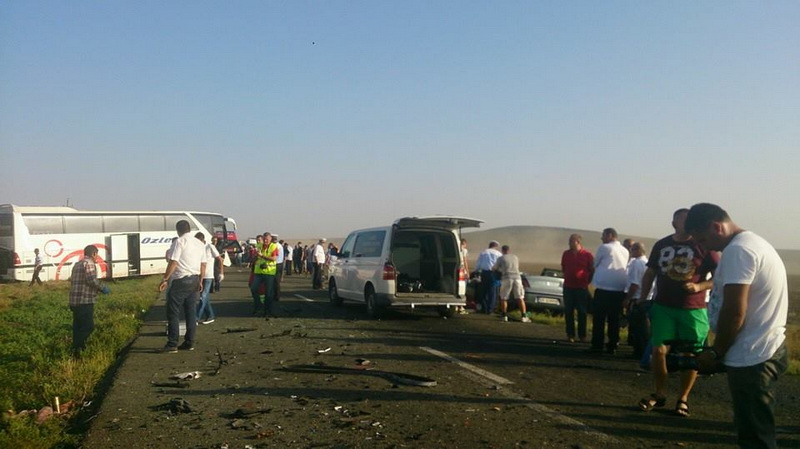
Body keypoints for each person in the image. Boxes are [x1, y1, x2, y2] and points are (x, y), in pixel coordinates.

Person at [686, 203, 788, 449]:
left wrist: (716, 352)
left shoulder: (738, 251)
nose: (703, 247)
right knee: (755, 428)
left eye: (702, 239)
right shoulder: (753, 244)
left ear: (716, 227)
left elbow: (734, 312)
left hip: (752, 354)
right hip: (761, 347)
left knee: (755, 437)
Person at [637, 208, 718, 417]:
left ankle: (683, 398)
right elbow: (650, 272)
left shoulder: (703, 245)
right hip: (663, 307)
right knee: (658, 351)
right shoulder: (662, 244)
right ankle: (659, 393)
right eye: (685, 220)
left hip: (693, 309)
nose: (690, 224)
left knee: (690, 355)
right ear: (674, 223)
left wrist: (699, 287)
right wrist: (643, 298)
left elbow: (720, 276)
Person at [158, 220, 206, 353]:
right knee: (191, 312)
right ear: (189, 229)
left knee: (173, 311)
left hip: (181, 280)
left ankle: (172, 343)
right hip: (195, 279)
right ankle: (189, 342)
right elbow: (203, 264)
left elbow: (174, 262)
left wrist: (165, 279)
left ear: (178, 230)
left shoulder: (179, 242)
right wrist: (200, 281)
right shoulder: (199, 243)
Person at [589, 228, 629, 354]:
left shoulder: (604, 248)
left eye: (603, 235)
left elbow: (595, 263)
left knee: (599, 319)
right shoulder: (625, 250)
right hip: (619, 289)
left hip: (604, 288)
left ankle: (597, 345)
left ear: (610, 235)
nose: (602, 238)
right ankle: (613, 345)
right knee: (614, 319)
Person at [69, 245, 109, 357]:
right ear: (94, 254)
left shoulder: (77, 264)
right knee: (88, 327)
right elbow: (92, 281)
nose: (97, 258)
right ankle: (78, 349)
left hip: (75, 301)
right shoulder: (89, 263)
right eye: (97, 255)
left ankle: (76, 351)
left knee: (78, 328)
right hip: (85, 301)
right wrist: (103, 288)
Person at [623, 242, 654, 360]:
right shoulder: (647, 262)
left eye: (632, 250)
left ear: (638, 250)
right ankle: (643, 351)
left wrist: (628, 298)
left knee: (637, 327)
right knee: (644, 327)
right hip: (647, 298)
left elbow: (634, 284)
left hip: (637, 298)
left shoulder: (636, 263)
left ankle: (639, 352)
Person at [561, 234, 594, 343]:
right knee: (568, 311)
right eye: (569, 241)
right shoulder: (566, 254)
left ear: (578, 242)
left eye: (572, 241)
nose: (569, 243)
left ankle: (582, 335)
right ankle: (570, 334)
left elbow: (592, 270)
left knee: (582, 312)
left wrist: (586, 281)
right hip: (568, 286)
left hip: (581, 287)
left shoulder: (587, 255)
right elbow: (563, 267)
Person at [493, 245, 530, 323]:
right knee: (520, 297)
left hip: (507, 278)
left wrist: (499, 271)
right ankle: (524, 316)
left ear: (502, 250)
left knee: (504, 297)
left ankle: (504, 316)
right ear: (509, 250)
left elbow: (494, 268)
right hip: (517, 278)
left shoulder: (501, 258)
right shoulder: (515, 257)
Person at [251, 232, 280, 317]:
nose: (265, 241)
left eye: (267, 239)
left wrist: (262, 256)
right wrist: (256, 256)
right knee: (253, 288)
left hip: (269, 272)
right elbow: (253, 259)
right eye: (264, 239)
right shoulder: (259, 246)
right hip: (258, 272)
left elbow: (274, 258)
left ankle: (268, 311)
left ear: (270, 239)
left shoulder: (273, 246)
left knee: (269, 293)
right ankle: (258, 306)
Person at [195, 233, 222, 325]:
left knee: (202, 297)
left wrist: (221, 272)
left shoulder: (210, 247)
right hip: (200, 275)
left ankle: (196, 318)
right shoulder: (197, 249)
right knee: (205, 298)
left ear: (202, 240)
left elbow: (219, 259)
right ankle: (210, 316)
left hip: (208, 276)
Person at [475, 241, 503, 314]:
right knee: (492, 292)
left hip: (484, 273)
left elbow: (478, 264)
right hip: (494, 273)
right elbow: (501, 264)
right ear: (495, 246)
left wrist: (476, 271)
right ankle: (490, 309)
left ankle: (484, 308)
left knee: (483, 291)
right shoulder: (498, 254)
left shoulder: (483, 252)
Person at [456, 239, 469, 314]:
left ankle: (456, 306)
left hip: (456, 270)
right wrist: (467, 272)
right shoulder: (464, 250)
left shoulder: (456, 249)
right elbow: (465, 261)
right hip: (462, 271)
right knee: (462, 289)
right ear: (464, 244)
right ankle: (461, 307)